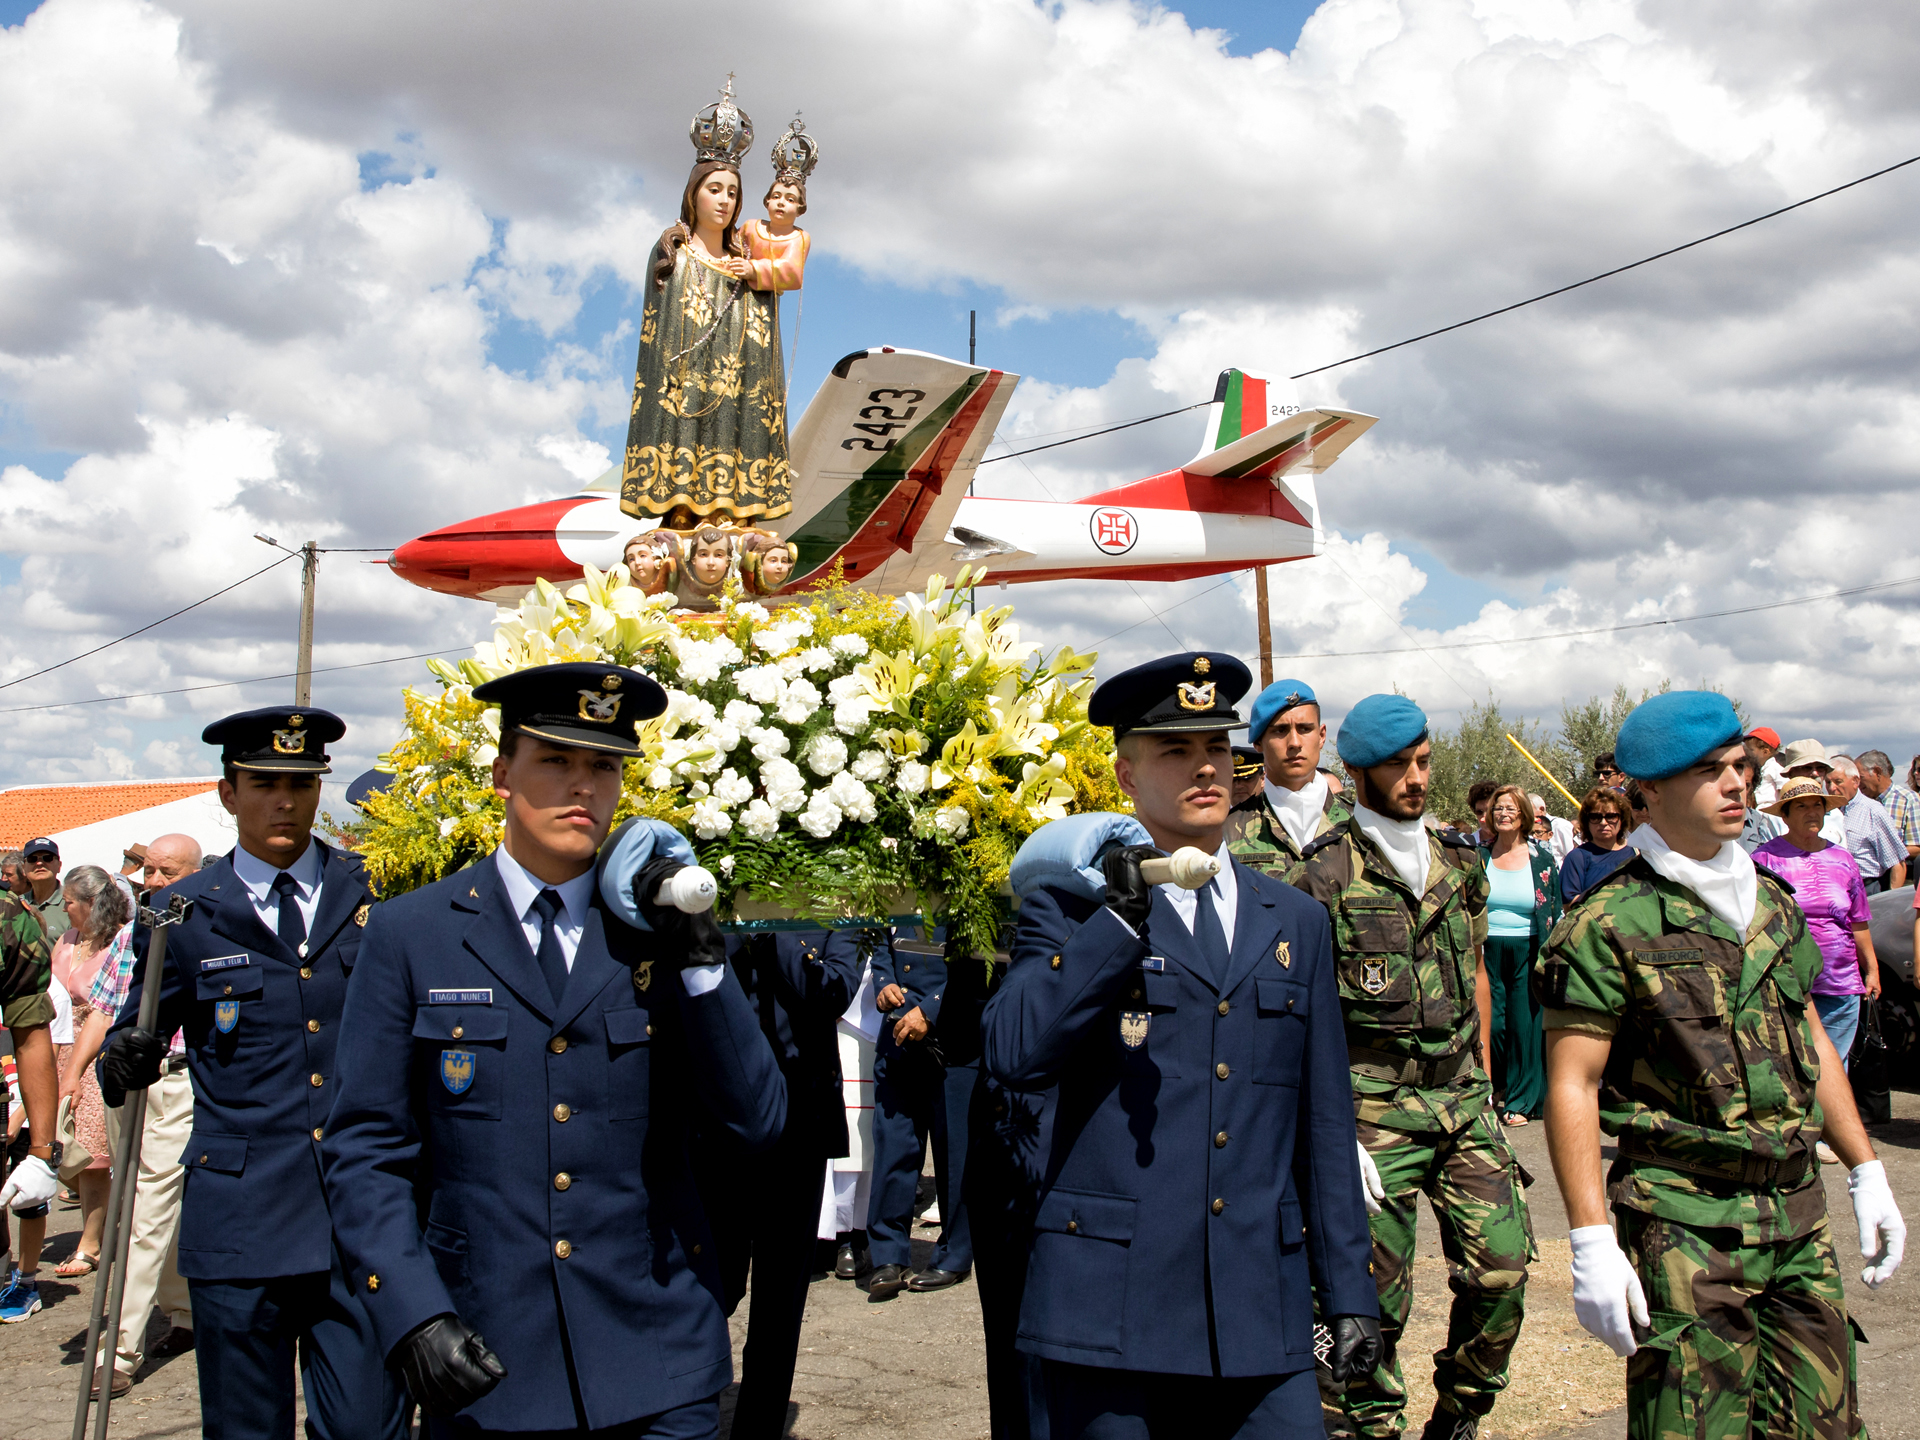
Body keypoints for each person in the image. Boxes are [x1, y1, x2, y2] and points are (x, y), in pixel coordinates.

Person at [323, 662, 787, 1435]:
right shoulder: (413, 933)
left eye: (603, 766)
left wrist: (704, 962)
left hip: (657, 1352)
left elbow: (756, 1124)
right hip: (483, 1355)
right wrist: (411, 1313)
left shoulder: (660, 931)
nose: (583, 787)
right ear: (503, 773)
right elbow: (367, 1148)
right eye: (556, 761)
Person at [983, 651, 1380, 1440]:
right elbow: (1015, 1052)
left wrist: (1348, 1295)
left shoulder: (1292, 919)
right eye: (1174, 751)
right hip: (1113, 1308)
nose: (1204, 769)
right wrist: (1120, 920)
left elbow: (1324, 1123)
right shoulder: (1069, 906)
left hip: (1256, 1308)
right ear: (1127, 776)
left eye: (1216, 751)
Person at [1538, 690, 1903, 1439]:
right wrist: (1590, 1239)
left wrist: (1865, 1167)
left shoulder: (1772, 901)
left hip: (1796, 1213)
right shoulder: (1607, 923)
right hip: (1684, 1222)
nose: (1737, 783)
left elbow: (1811, 1037)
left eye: (1739, 765)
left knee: (1825, 1425)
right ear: (1651, 793)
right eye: (1710, 771)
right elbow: (1570, 1082)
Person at [99, 707, 409, 1439]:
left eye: (301, 784)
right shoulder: (181, 915)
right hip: (242, 1223)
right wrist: (125, 1056)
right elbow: (128, 1049)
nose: (284, 800)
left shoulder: (374, 895)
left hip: (358, 1220)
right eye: (264, 782)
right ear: (228, 792)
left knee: (371, 1427)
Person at [1294, 695, 1533, 1440]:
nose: (1416, 777)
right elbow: (1303, 1015)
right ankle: (1370, 1428)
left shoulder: (1462, 860)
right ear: (1357, 771)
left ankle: (1460, 1411)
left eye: (1424, 761)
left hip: (1460, 1101)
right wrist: (1329, 1132)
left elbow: (1478, 980)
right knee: (1367, 1301)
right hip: (1371, 1108)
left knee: (1502, 1273)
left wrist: (1487, 1085)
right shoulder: (1322, 872)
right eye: (1399, 764)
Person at [702, 929, 859, 1439]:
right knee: (709, 1288)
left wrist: (771, 933)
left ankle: (759, 1428)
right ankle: (687, 1414)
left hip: (799, 1131)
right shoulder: (715, 900)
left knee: (778, 1306)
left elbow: (833, 991)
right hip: (717, 1130)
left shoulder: (835, 908)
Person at [621, 82, 792, 529]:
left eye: (732, 193)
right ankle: (680, 505)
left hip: (736, 402)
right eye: (714, 189)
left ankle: (731, 509)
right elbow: (658, 341)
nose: (724, 200)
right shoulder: (673, 258)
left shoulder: (747, 267)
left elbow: (763, 347)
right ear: (694, 193)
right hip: (685, 393)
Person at [74, 836, 203, 1389]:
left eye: (165, 871)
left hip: (177, 1082)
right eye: (146, 869)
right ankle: (184, 1312)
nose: (151, 881)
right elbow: (102, 1014)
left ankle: (120, 1350)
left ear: (194, 874)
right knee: (141, 1201)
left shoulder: (204, 929)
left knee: (149, 1206)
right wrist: (71, 1083)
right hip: (126, 1085)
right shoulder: (133, 932)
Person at [866, 928, 974, 1298]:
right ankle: (887, 1255)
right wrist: (883, 981)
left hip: (953, 1035)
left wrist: (930, 1009)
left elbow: (978, 963)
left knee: (953, 1152)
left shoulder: (972, 875)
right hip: (898, 1030)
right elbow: (877, 935)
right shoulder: (894, 877)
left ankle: (954, 1255)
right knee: (893, 1144)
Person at [1752, 777, 1880, 1084]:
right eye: (1801, 806)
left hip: (1841, 982)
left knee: (1836, 1067)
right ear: (1785, 814)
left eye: (1817, 805)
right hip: (1788, 985)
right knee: (1795, 1066)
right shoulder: (1764, 860)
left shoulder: (1844, 860)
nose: (1812, 812)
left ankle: (1828, 1133)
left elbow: (1858, 921)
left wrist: (1871, 970)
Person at [47, 867, 126, 1291]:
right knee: (64, 1149)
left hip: (97, 1053)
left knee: (92, 1153)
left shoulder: (121, 941)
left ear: (91, 902)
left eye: (70, 901)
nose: (64, 907)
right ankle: (106, 1223)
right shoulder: (66, 941)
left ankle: (91, 1243)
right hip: (59, 1048)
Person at [1477, 787, 1560, 1127]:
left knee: (1524, 1024)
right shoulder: (1478, 857)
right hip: (1487, 950)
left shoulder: (1542, 859)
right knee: (1493, 1025)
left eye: (1510, 808)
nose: (1503, 813)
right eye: (1498, 808)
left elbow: (1553, 909)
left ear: (1524, 814)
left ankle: (1521, 1101)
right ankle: (1498, 1087)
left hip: (1529, 948)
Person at [0, 931, 71, 1322]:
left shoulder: (48, 991)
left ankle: (26, 1281)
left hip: (23, 1115)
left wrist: (20, 1121)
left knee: (28, 1202)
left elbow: (47, 1061)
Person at [1226, 678, 1348, 887]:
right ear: (1257, 742)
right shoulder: (1227, 831)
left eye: (1304, 729)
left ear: (1321, 736)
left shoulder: (1360, 825)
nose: (1294, 743)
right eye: (1280, 730)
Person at [1827, 756, 1907, 893]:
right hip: (1835, 889)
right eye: (1828, 782)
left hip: (1866, 889)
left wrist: (1891, 904)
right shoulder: (1826, 812)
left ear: (1855, 781)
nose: (1832, 788)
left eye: (1838, 782)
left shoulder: (1872, 811)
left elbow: (1897, 863)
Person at [1559, 787, 1635, 902]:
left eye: (1611, 816)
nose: (1603, 823)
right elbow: (1569, 904)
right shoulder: (1577, 858)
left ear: (1622, 819)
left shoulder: (1637, 853)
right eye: (1595, 817)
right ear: (1586, 821)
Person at [1776, 739, 1848, 848]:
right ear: (1790, 773)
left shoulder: (1836, 815)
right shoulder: (1773, 818)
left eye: (1820, 768)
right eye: (1806, 767)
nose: (1815, 773)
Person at [1856, 750, 1920, 861]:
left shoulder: (1908, 800)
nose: (1857, 783)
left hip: (1898, 873)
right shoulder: (1858, 802)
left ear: (1877, 772)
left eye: (1860, 777)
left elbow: (1916, 847)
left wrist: (1881, 854)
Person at [19, 840, 66, 943]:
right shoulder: (16, 904)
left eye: (47, 858)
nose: (39, 863)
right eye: (32, 859)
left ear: (59, 865)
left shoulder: (72, 904)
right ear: (23, 868)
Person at [1745, 726, 1785, 805]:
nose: (1747, 752)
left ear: (1765, 752)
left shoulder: (1775, 768)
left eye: (1750, 750)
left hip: (1769, 809)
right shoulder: (1758, 769)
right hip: (1758, 809)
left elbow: (1784, 787)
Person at [1466, 780, 1498, 845]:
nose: (1484, 817)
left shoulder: (1519, 843)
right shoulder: (1468, 845)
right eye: (1479, 812)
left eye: (1490, 811)